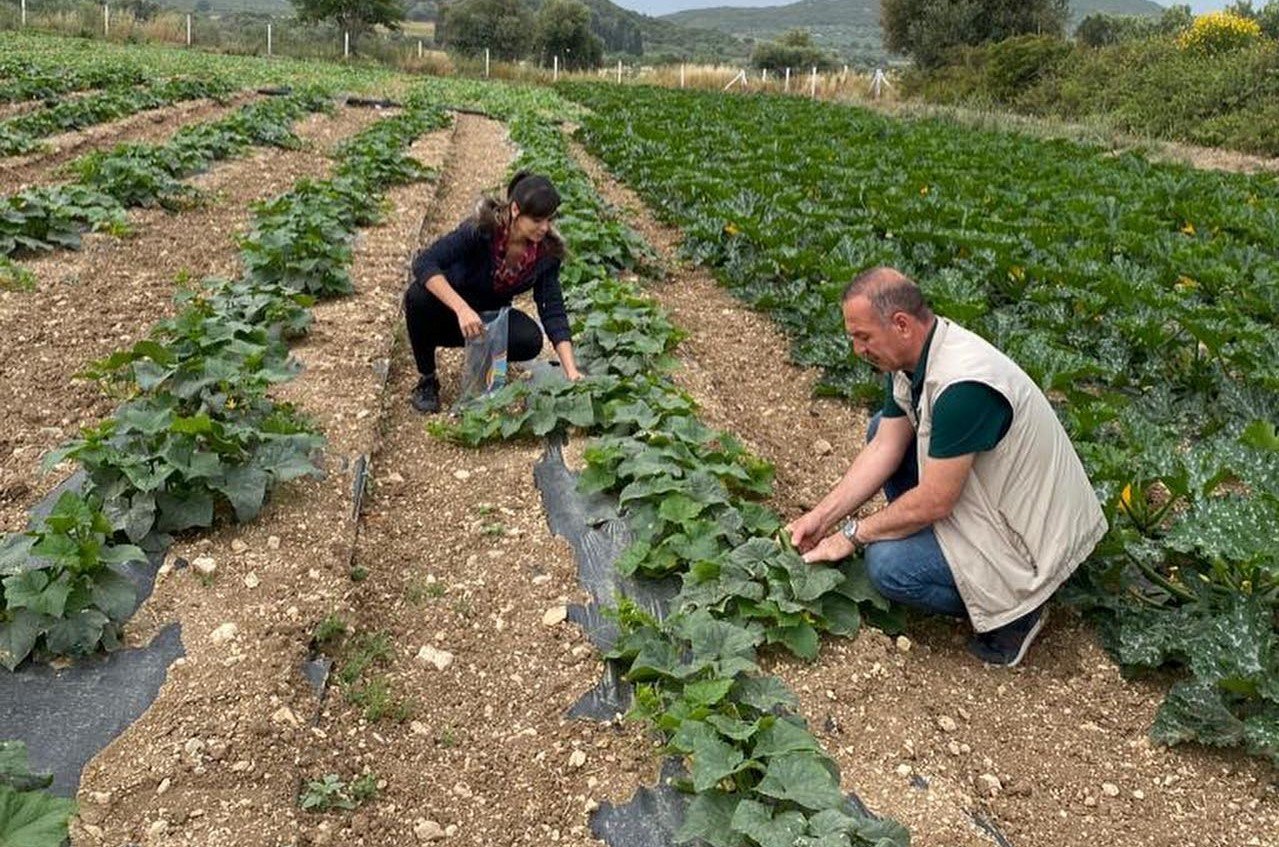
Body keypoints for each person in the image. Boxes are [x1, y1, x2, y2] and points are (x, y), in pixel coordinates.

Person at [788, 267, 1106, 667]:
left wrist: (853, 535)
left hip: (1031, 543)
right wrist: (821, 519)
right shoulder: (912, 359)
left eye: (863, 336)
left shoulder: (963, 388)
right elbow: (885, 447)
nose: (857, 349)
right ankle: (938, 548)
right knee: (880, 428)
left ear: (901, 324)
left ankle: (1017, 611)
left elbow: (936, 501)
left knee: (888, 567)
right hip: (996, 502)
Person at [404, 171, 583, 413]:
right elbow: (425, 262)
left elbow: (552, 308)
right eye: (537, 220)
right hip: (453, 311)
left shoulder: (546, 253)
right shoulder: (481, 230)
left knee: (530, 339)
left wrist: (571, 371)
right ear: (516, 210)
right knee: (418, 297)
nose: (545, 228)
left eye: (549, 220)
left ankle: (486, 363)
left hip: (490, 317)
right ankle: (427, 379)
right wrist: (461, 309)